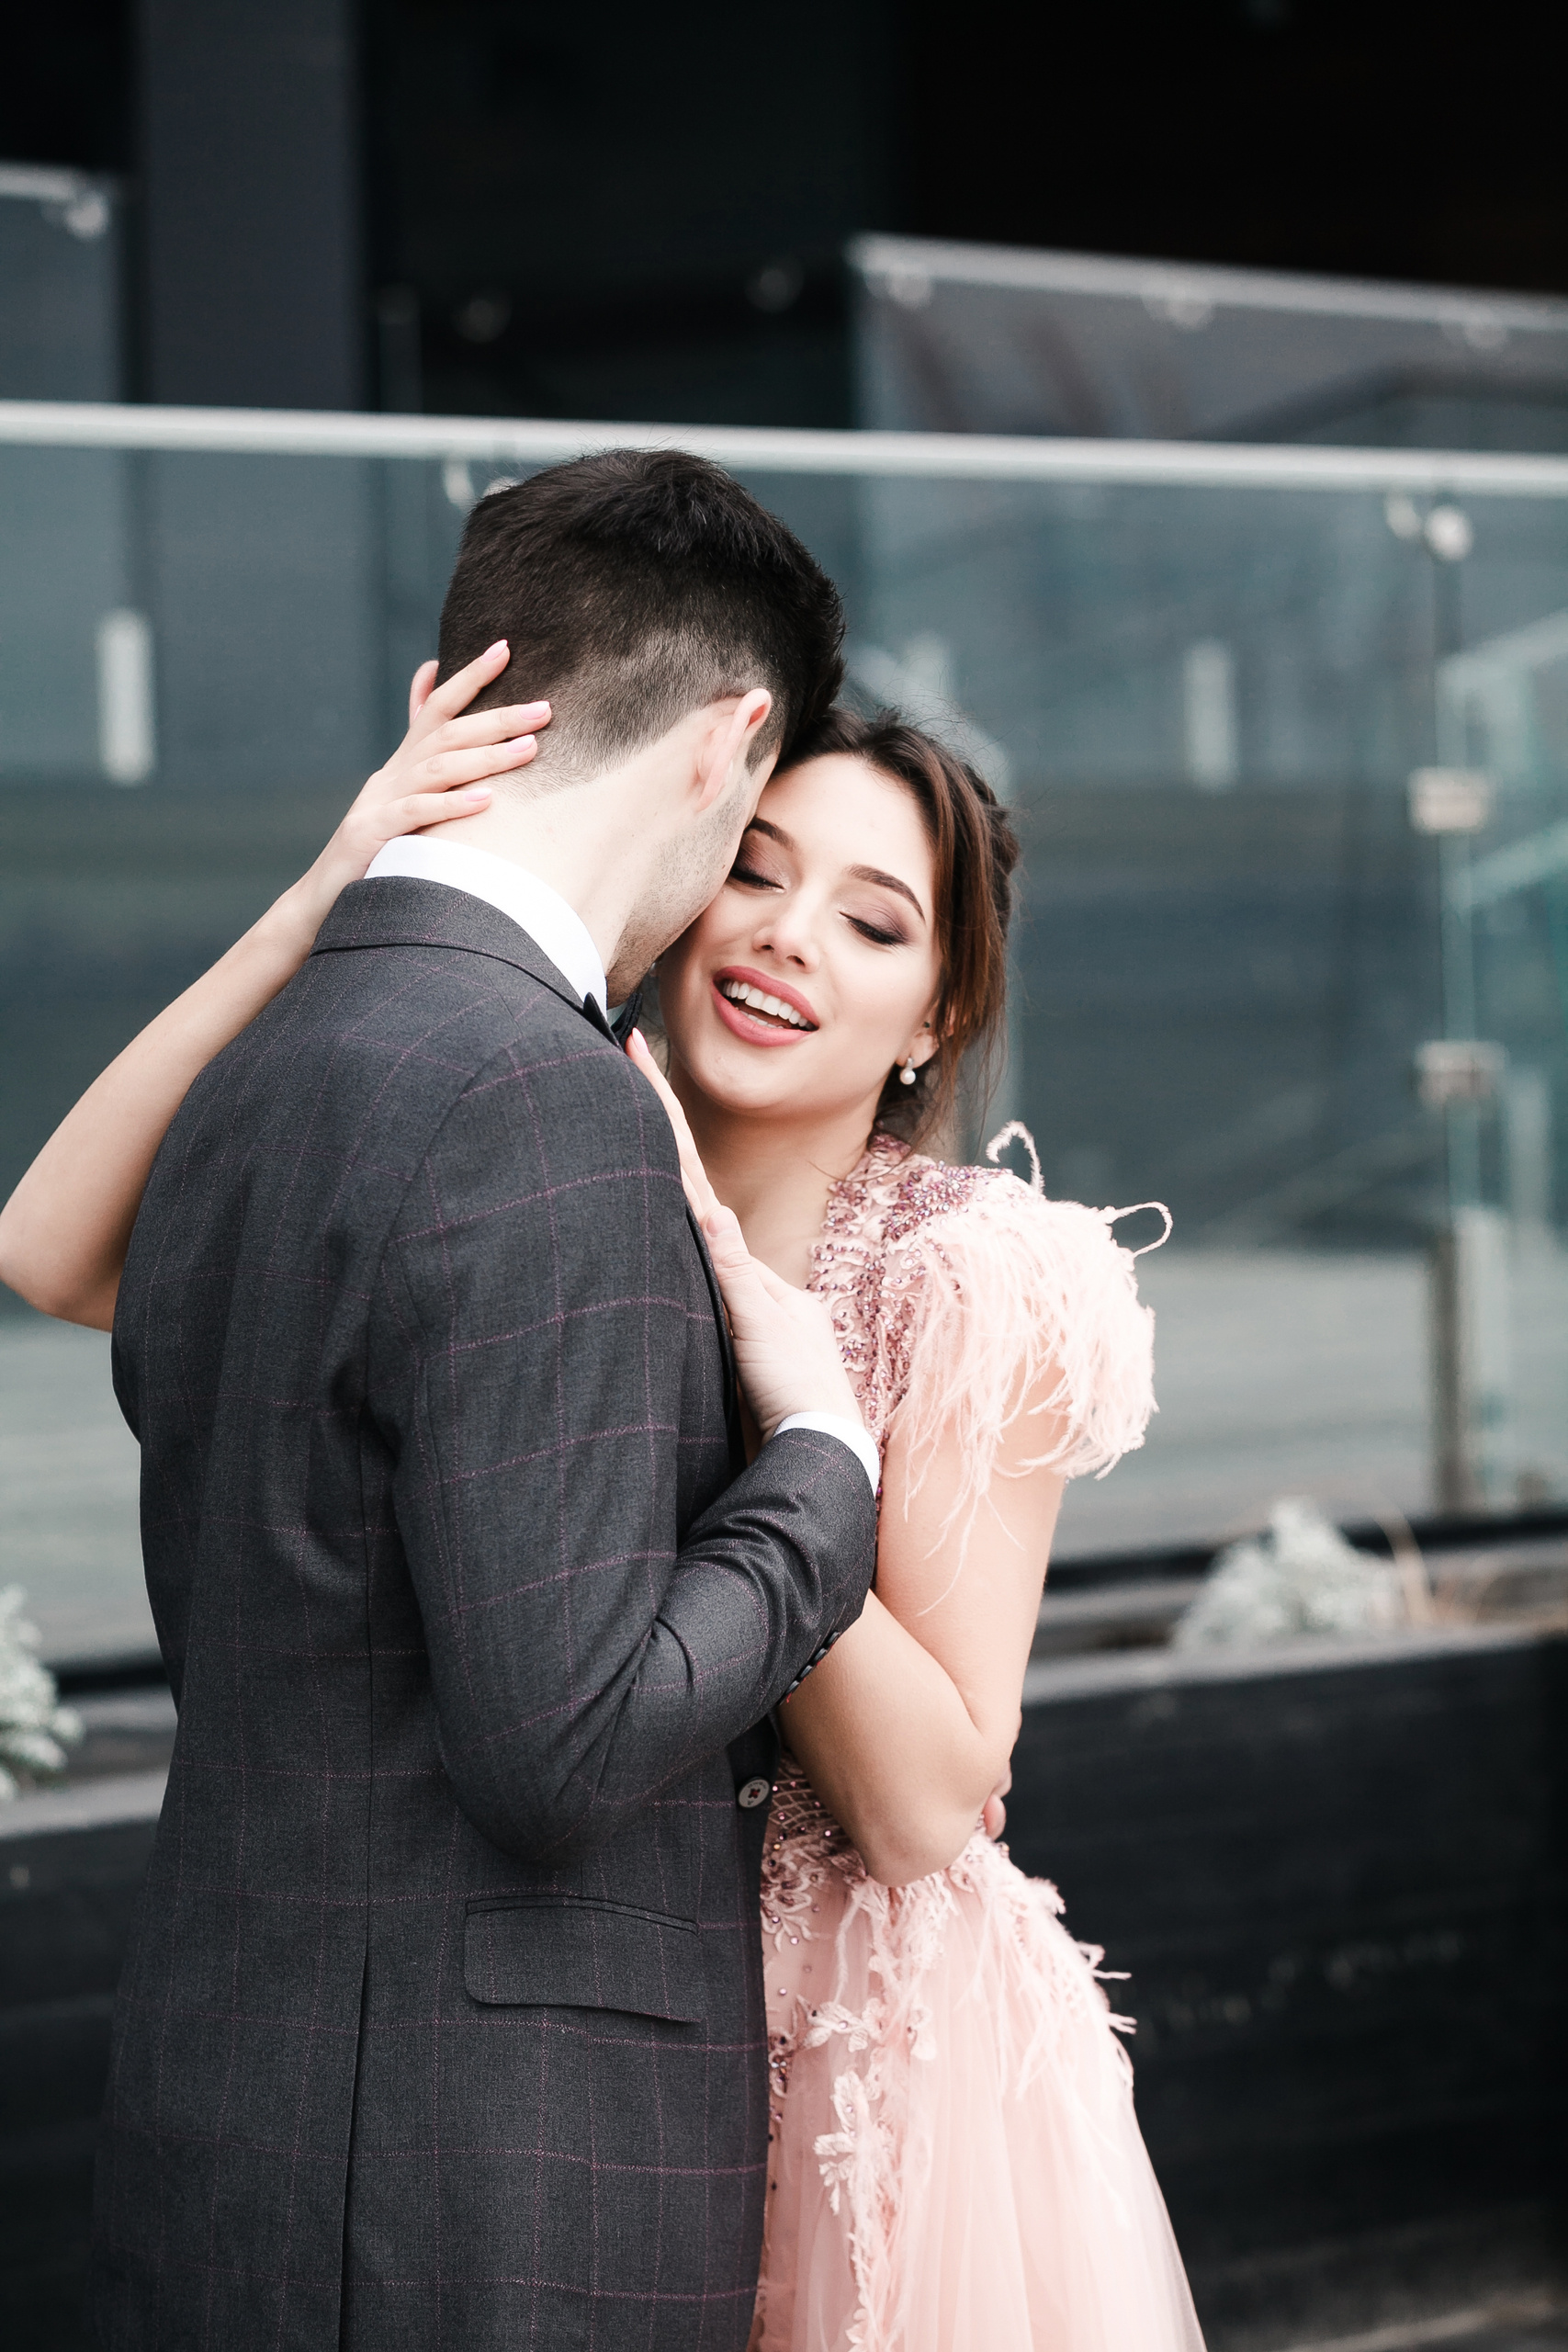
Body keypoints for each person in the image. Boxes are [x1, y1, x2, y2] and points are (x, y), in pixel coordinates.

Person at [3, 484, 1205, 2351]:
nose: (786, 936)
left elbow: (924, 1801)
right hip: (538, 2058)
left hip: (856, 2060)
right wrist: (327, 895)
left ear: (932, 1014)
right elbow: (55, 1248)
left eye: (872, 921)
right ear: (701, 825)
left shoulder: (971, 1273)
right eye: (758, 870)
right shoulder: (525, 1126)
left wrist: (781, 1425)